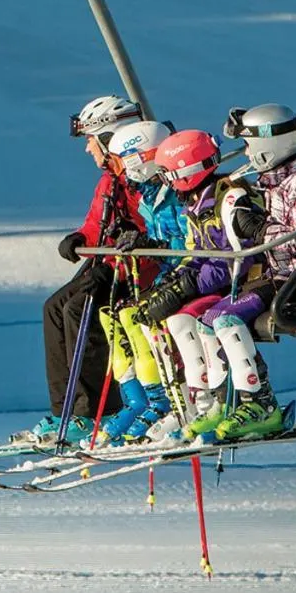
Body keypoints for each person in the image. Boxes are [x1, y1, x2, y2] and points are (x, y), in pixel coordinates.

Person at [11, 95, 149, 446]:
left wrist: (137, 235)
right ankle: (66, 411)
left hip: (137, 268)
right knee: (54, 308)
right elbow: (96, 224)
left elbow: (159, 220)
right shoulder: (110, 180)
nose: (88, 149)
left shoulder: (142, 174)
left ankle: (93, 413)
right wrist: (79, 238)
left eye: (91, 140)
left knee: (81, 309)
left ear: (109, 137)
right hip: (108, 262)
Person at [196, 102, 296, 441]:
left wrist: (259, 229)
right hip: (279, 277)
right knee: (208, 319)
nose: (245, 152)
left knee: (227, 320)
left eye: (248, 144)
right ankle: (223, 402)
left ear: (266, 147)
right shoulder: (271, 184)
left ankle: (261, 404)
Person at [132, 129, 266, 441]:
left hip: (243, 283)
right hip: (218, 285)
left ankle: (231, 401)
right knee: (176, 319)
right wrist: (173, 283)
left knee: (206, 319)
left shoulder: (228, 199)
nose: (165, 182)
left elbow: (235, 259)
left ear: (186, 172)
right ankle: (202, 403)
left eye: (168, 175)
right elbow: (196, 254)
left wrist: (189, 285)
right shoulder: (196, 206)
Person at [91, 119, 184, 446]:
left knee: (149, 316)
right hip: (168, 274)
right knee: (118, 315)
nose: (120, 171)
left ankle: (171, 402)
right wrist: (140, 238)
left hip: (187, 277)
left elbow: (186, 240)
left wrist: (153, 246)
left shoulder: (176, 193)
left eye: (123, 162)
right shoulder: (148, 196)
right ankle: (142, 400)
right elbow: (162, 238)